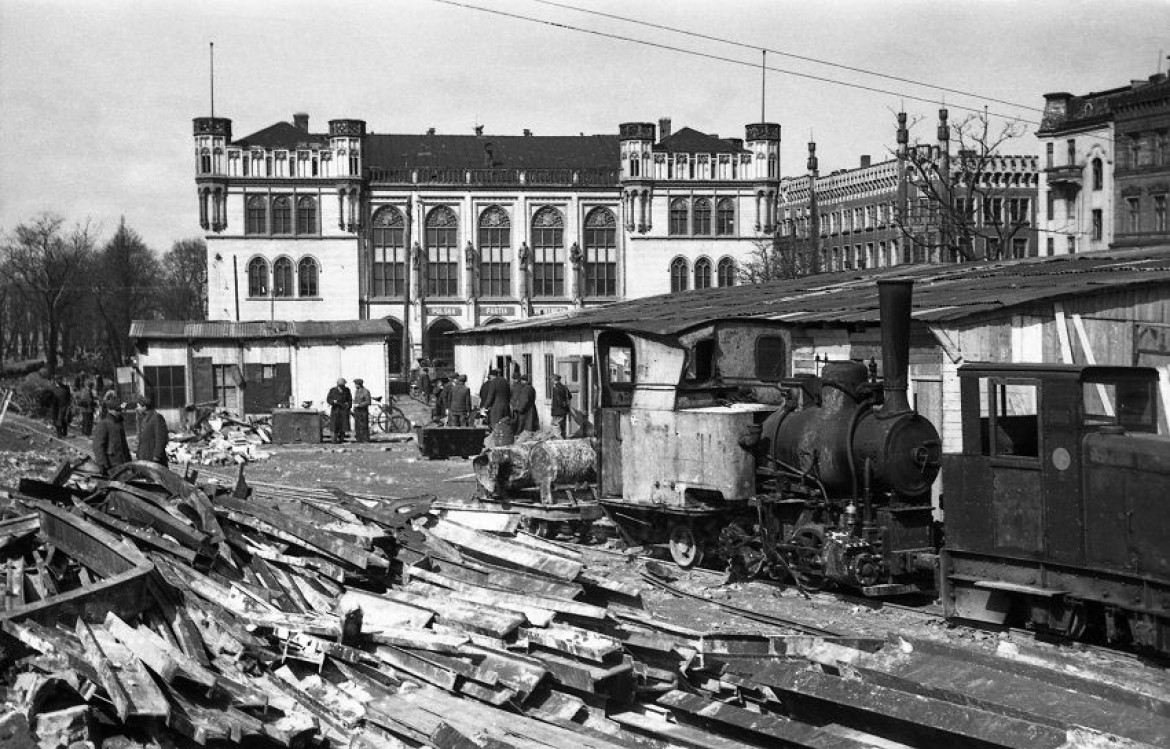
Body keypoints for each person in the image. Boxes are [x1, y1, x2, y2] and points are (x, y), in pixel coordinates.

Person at [92, 401, 131, 474]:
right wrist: (103, 464)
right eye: (117, 410)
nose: (120, 412)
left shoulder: (119, 423)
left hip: (123, 462)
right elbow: (98, 446)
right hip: (112, 463)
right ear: (110, 410)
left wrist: (129, 461)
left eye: (121, 410)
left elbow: (124, 445)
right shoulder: (104, 424)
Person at [135, 394, 169, 466]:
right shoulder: (143, 419)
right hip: (144, 457)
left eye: (138, 406)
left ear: (145, 407)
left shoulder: (157, 418)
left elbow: (161, 438)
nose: (137, 408)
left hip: (153, 458)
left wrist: (157, 456)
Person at [326, 378, 353, 443]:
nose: (342, 386)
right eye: (340, 385)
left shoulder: (347, 390)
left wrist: (348, 406)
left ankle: (341, 439)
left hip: (343, 410)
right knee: (334, 425)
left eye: (343, 385)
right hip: (335, 410)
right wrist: (333, 401)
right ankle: (334, 439)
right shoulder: (332, 390)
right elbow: (328, 399)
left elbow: (350, 400)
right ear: (337, 384)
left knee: (343, 425)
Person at [550, 373, 572, 438]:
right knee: (562, 425)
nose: (551, 380)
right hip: (564, 410)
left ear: (554, 380)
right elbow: (570, 396)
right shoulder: (564, 387)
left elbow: (558, 400)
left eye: (552, 379)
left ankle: (559, 439)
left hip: (558, 409)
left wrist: (561, 405)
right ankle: (563, 437)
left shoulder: (555, 388)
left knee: (554, 424)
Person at [352, 378, 372, 442]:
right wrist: (354, 407)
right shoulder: (356, 391)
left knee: (364, 425)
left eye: (356, 384)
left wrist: (359, 405)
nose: (355, 386)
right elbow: (356, 400)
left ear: (359, 384)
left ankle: (365, 440)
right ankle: (359, 439)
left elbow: (368, 402)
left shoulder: (366, 391)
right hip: (357, 411)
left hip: (363, 411)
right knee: (357, 426)